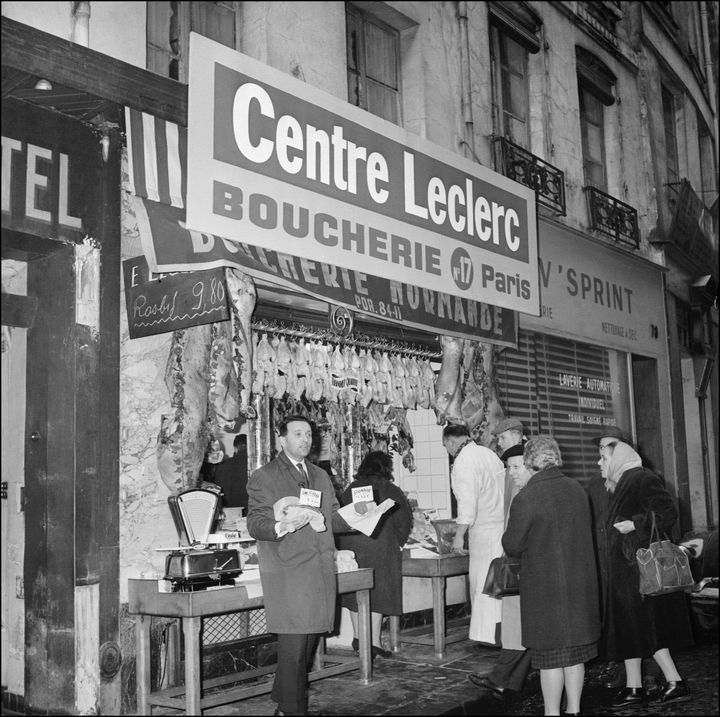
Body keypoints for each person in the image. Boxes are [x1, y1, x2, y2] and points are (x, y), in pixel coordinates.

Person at [247, 415, 365, 716]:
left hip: (319, 568)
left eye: (309, 434)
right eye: (297, 434)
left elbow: (333, 519)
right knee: (295, 642)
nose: (305, 439)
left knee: (308, 638)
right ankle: (291, 708)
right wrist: (281, 524)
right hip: (289, 569)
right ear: (281, 439)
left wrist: (361, 515)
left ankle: (282, 698)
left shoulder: (320, 475)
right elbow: (255, 523)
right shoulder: (266, 476)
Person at [503, 436, 600, 716]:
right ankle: (575, 709)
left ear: (531, 461)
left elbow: (512, 544)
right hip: (579, 587)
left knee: (550, 660)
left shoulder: (527, 498)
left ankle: (551, 712)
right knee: (574, 657)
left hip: (545, 592)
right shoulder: (576, 489)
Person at [598, 439, 694, 708]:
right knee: (633, 630)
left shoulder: (641, 477)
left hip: (639, 572)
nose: (599, 463)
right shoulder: (622, 482)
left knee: (642, 629)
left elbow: (668, 512)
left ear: (618, 459)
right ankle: (636, 687)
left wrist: (636, 524)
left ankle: (671, 683)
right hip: (628, 572)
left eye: (603, 458)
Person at [469, 443, 533, 698]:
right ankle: (508, 680)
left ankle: (500, 678)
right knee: (518, 626)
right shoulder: (513, 486)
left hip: (526, 565)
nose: (512, 472)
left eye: (517, 466)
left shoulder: (530, 492)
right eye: (510, 467)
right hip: (516, 562)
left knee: (517, 626)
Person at [336, 450, 413, 659]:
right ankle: (374, 643)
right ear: (386, 468)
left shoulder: (350, 489)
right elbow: (404, 522)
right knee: (378, 592)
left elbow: (339, 519)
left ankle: (359, 639)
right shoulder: (390, 489)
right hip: (381, 548)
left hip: (351, 549)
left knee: (354, 593)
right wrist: (399, 542)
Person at [442, 423, 506, 646]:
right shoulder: (488, 453)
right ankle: (502, 633)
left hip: (484, 529)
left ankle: (488, 637)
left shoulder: (463, 461)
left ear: (451, 441)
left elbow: (468, 502)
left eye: (446, 446)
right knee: (497, 582)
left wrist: (459, 534)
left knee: (482, 583)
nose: (448, 452)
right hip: (500, 527)